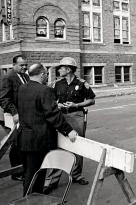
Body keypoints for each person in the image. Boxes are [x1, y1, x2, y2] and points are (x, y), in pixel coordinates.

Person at [17, 63, 77, 195]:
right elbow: (52, 115)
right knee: (37, 175)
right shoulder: (44, 90)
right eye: (46, 74)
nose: (47, 77)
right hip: (38, 141)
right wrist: (69, 130)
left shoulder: (22, 88)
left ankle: (27, 198)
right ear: (42, 74)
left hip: (23, 139)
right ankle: (32, 200)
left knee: (28, 173)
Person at [44, 57, 95, 192]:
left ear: (68, 69)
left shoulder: (82, 83)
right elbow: (50, 100)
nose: (59, 70)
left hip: (76, 115)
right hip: (60, 117)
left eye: (61, 68)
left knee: (78, 146)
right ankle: (52, 181)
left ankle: (76, 175)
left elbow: (91, 100)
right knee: (58, 146)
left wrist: (76, 104)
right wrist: (57, 104)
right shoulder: (56, 84)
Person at [0, 55, 29, 181]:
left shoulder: (25, 76)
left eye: (25, 65)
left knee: (23, 142)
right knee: (16, 143)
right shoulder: (8, 77)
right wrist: (14, 112)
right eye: (21, 65)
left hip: (24, 114)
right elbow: (4, 99)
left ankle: (22, 169)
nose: (24, 67)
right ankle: (16, 173)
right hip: (13, 115)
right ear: (14, 65)